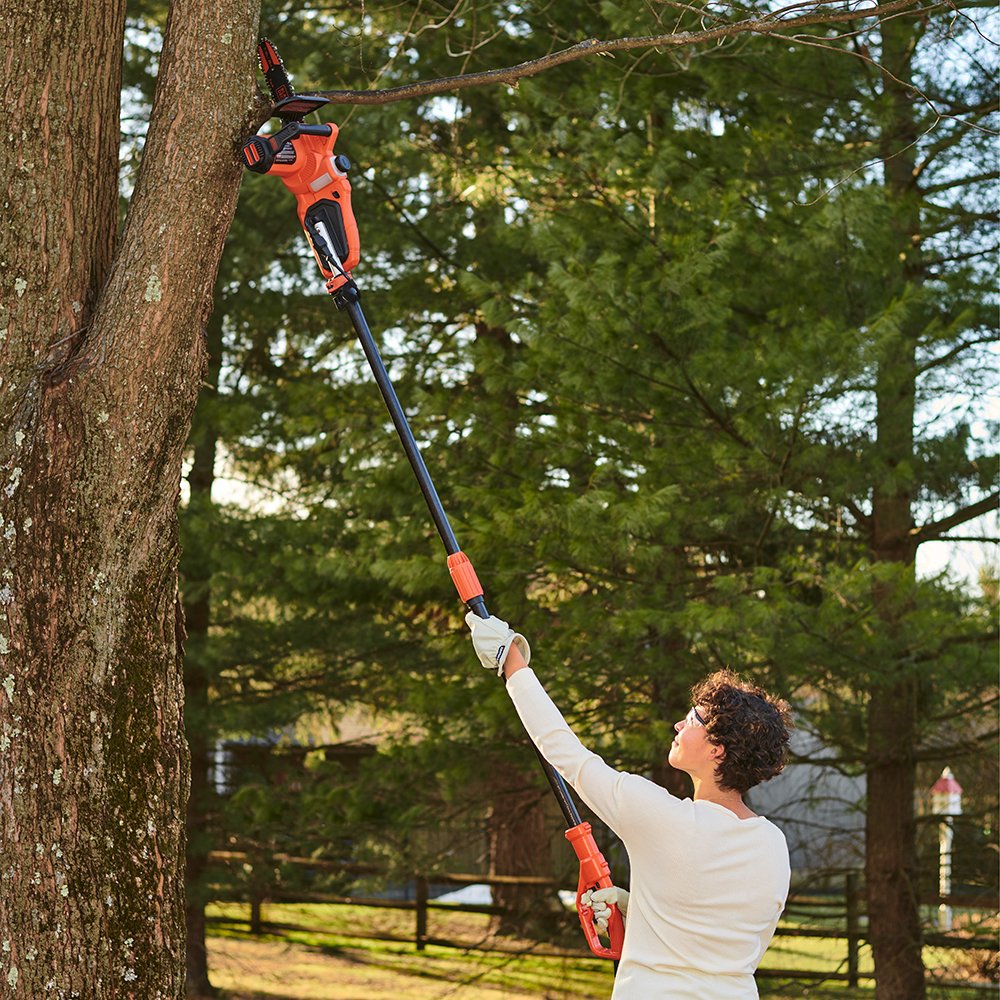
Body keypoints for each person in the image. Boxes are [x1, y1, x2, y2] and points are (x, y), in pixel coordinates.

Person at [467, 613, 793, 1000]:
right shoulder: (772, 844)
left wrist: (511, 661)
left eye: (693, 720)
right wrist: (639, 910)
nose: (678, 725)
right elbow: (721, 936)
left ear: (716, 750)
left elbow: (564, 751)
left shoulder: (663, 818)